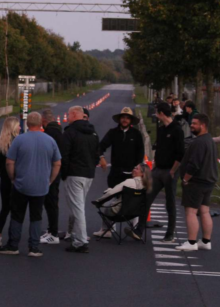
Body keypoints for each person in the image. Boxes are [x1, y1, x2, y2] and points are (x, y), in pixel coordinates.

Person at [0, 113, 61, 257]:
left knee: (17, 215)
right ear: (40, 123)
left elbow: (9, 162)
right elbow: (57, 163)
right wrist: (50, 180)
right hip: (41, 185)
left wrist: (12, 177)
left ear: (27, 124)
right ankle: (34, 247)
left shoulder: (19, 140)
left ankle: (13, 245)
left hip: (22, 184)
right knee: (36, 216)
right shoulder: (50, 140)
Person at [127, 102, 184, 243]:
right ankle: (139, 230)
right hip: (158, 170)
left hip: (170, 171)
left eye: (157, 113)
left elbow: (180, 153)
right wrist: (155, 165)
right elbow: (158, 148)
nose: (156, 116)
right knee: (146, 197)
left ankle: (170, 233)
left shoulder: (177, 129)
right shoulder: (161, 129)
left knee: (170, 202)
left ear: (162, 114)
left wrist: (173, 171)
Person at [60, 105, 100, 253]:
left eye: (68, 115)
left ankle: (81, 241)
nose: (67, 117)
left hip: (74, 174)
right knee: (78, 206)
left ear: (74, 115)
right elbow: (97, 154)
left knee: (77, 208)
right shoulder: (93, 133)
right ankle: (76, 236)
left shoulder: (69, 133)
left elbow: (64, 155)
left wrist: (64, 173)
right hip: (88, 174)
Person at [176, 114, 218, 251]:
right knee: (204, 211)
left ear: (203, 125)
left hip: (196, 182)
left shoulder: (199, 142)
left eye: (194, 123)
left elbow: (194, 164)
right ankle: (206, 241)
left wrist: (185, 179)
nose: (191, 126)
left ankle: (192, 242)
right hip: (208, 181)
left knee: (191, 212)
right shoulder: (209, 140)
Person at [92, 163, 151, 238]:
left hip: (119, 212)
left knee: (109, 201)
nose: (133, 169)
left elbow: (112, 192)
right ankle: (134, 228)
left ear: (142, 173)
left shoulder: (129, 182)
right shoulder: (146, 186)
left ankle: (105, 230)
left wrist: (98, 201)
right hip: (135, 213)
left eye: (136, 168)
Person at [99, 107, 144, 187]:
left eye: (127, 118)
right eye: (123, 117)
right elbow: (101, 146)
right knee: (112, 196)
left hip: (131, 174)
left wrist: (137, 169)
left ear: (131, 120)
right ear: (119, 119)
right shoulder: (113, 132)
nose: (125, 120)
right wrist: (101, 157)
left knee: (128, 198)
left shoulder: (136, 134)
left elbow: (140, 152)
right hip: (115, 173)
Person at [0, 117, 20, 247]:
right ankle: (12, 237)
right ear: (13, 127)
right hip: (16, 179)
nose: (20, 128)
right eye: (18, 126)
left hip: (3, 179)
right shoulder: (18, 142)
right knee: (15, 209)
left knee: (4, 208)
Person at [40, 109, 65, 245]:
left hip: (50, 172)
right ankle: (52, 229)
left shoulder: (49, 134)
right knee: (52, 202)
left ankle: (53, 233)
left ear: (44, 121)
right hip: (58, 171)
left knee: (50, 203)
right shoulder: (59, 132)